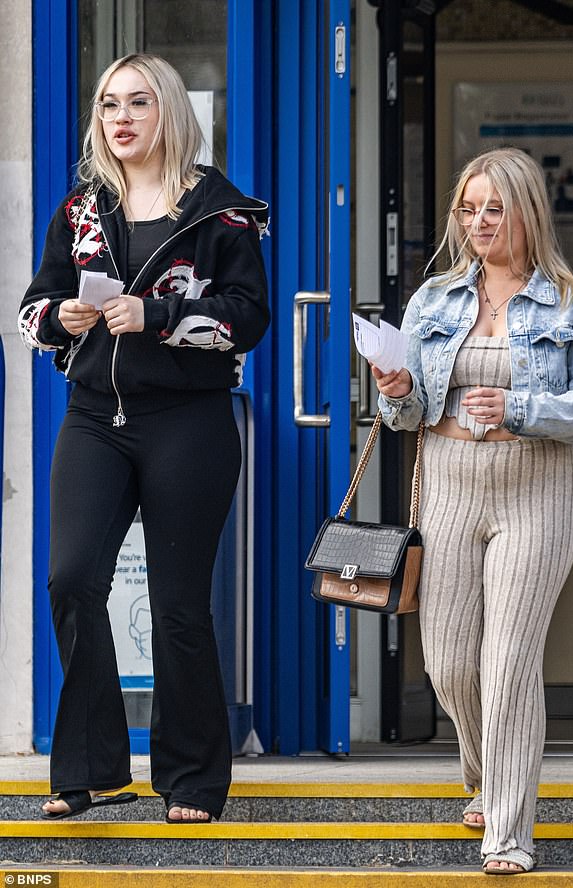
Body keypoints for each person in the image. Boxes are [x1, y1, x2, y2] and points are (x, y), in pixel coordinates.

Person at [19, 53, 269, 824]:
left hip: (187, 422)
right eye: (108, 106)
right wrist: (60, 319)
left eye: (138, 104)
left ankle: (192, 781)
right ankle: (93, 768)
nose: (120, 119)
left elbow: (247, 318)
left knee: (178, 607)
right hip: (95, 416)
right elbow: (33, 310)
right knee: (70, 581)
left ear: (168, 114)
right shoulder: (80, 214)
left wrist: (155, 317)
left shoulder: (221, 214)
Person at [373, 147, 573, 874]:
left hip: (536, 486)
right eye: (468, 209)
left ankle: (508, 830)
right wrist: (394, 389)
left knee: (509, 663)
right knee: (449, 664)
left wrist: (521, 408)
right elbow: (408, 412)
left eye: (493, 208)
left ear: (526, 212)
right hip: (451, 480)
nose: (478, 222)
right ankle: (484, 766)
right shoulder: (433, 300)